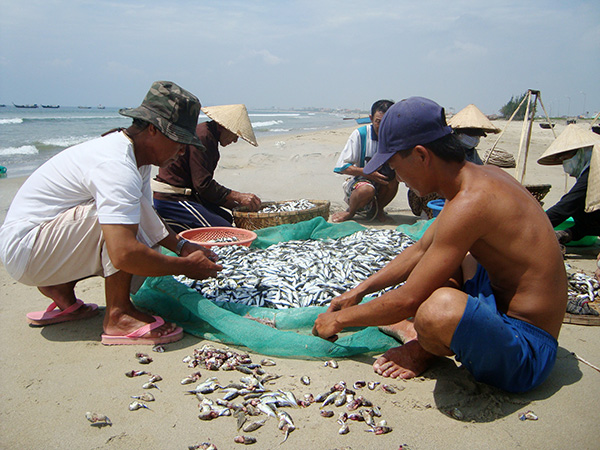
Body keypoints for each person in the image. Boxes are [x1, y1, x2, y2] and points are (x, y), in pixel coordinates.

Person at [312, 97, 567, 393]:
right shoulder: (475, 179)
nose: (398, 178)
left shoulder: (472, 202)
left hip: (528, 347)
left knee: (435, 310)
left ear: (421, 155)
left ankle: (422, 346)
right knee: (454, 258)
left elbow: (408, 299)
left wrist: (338, 320)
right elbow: (421, 249)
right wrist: (357, 292)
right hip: (497, 301)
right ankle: (422, 330)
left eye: (394, 166)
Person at [0, 81, 222, 345]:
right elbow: (125, 253)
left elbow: (147, 212)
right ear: (153, 129)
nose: (183, 150)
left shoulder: (134, 157)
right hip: (26, 249)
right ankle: (118, 315)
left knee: (131, 218)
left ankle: (60, 288)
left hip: (37, 248)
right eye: (179, 140)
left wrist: (182, 246)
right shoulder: (116, 164)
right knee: (124, 229)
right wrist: (186, 267)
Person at [153, 104, 261, 232]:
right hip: (173, 199)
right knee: (226, 231)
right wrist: (237, 196)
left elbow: (204, 188)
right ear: (222, 126)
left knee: (226, 217)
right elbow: (202, 185)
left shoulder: (208, 134)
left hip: (190, 194)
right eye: (235, 134)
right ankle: (173, 224)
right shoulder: (204, 137)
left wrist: (235, 206)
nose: (235, 140)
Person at [332, 100, 399, 223]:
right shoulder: (360, 134)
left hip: (383, 180)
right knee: (366, 190)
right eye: (378, 122)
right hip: (361, 180)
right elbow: (342, 167)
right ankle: (350, 212)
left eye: (386, 122)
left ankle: (378, 210)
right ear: (371, 118)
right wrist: (366, 172)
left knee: (395, 180)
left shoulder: (396, 137)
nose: (382, 127)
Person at [537, 124, 600, 247]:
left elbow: (566, 207)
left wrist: (533, 224)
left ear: (581, 152)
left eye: (565, 157)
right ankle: (572, 233)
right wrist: (568, 233)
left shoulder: (594, 172)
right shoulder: (589, 169)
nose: (564, 161)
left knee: (578, 205)